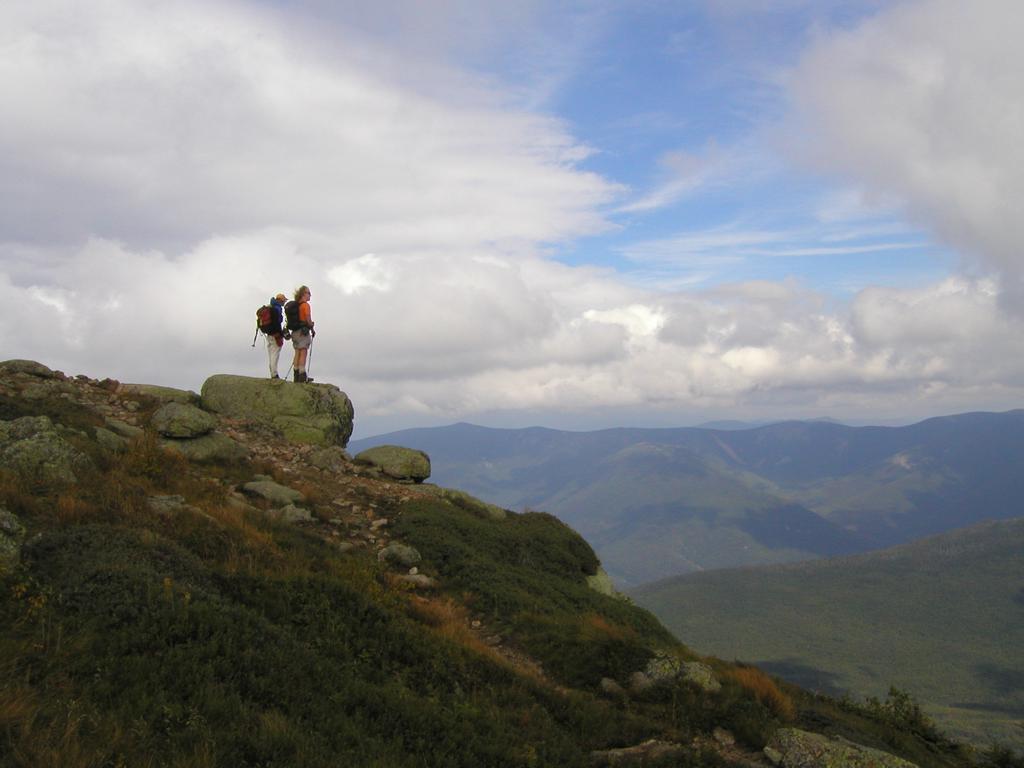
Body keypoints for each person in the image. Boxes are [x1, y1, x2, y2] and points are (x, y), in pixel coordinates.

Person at [285, 285, 315, 383]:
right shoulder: (305, 305)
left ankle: (296, 374)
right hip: (303, 332)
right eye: (308, 293)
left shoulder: (297, 306)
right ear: (303, 294)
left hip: (294, 332)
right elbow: (308, 319)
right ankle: (302, 375)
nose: (310, 295)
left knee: (297, 352)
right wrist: (311, 325)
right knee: (303, 351)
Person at [265, 293, 288, 379]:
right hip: (275, 334)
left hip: (269, 334)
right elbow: (277, 323)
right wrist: (280, 333)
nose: (284, 302)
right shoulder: (277, 308)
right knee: (275, 354)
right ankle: (274, 374)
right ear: (280, 300)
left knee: (271, 353)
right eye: (284, 300)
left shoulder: (270, 307)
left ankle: (272, 372)